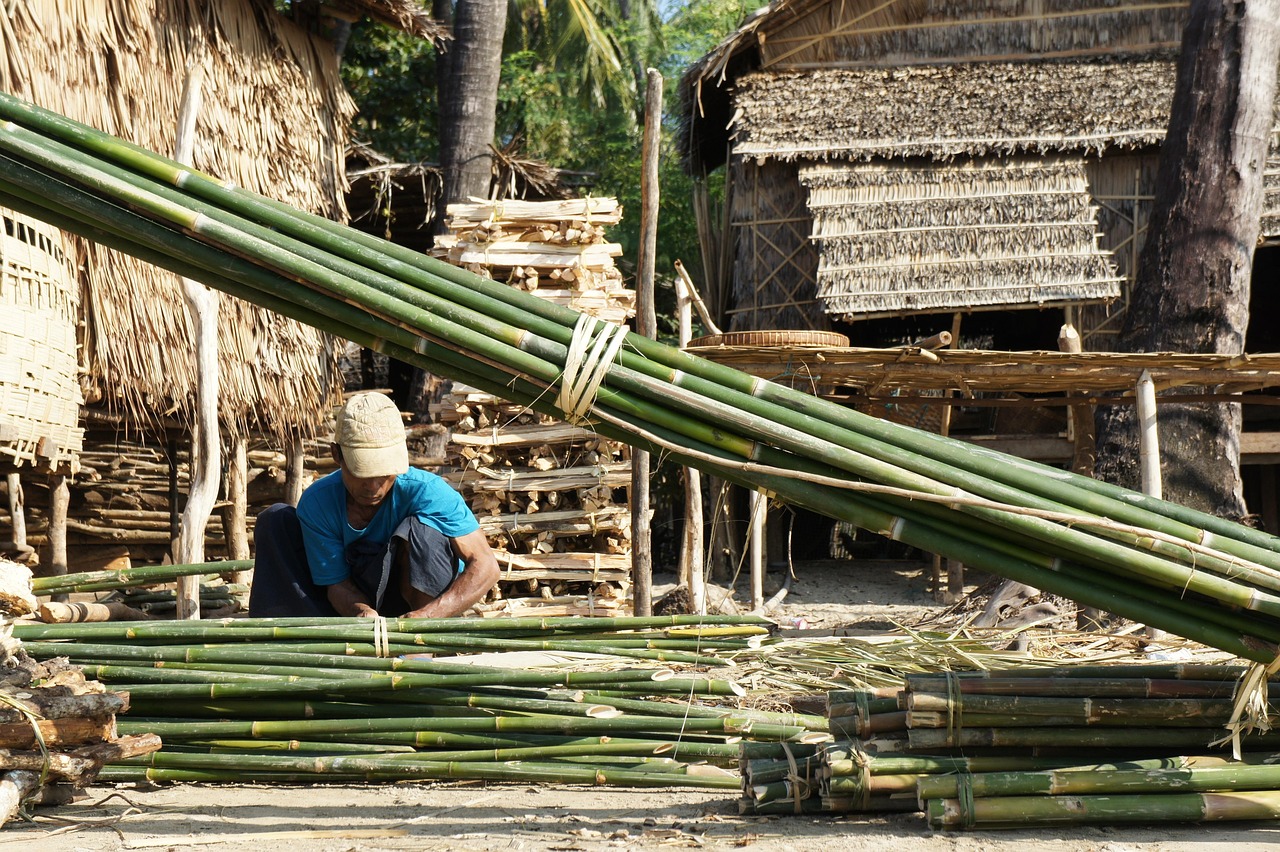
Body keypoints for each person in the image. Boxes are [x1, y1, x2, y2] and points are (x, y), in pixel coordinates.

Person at [248, 392, 500, 618]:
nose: (373, 486)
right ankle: (305, 643)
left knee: (424, 530)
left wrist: (427, 616)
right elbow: (336, 584)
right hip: (348, 607)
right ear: (337, 455)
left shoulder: (428, 492)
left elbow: (486, 566)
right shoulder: (319, 502)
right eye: (362, 473)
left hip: (419, 606)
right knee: (275, 520)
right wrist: (362, 613)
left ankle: (420, 648)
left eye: (384, 473)